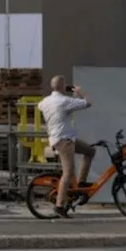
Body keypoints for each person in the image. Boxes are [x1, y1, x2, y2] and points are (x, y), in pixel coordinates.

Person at [38, 75, 95, 217]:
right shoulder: (64, 101)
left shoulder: (45, 102)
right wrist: (80, 91)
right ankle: (59, 206)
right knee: (68, 173)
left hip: (64, 139)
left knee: (90, 151)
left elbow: (39, 106)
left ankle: (81, 183)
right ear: (63, 86)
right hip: (64, 141)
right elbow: (88, 102)